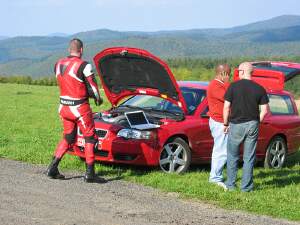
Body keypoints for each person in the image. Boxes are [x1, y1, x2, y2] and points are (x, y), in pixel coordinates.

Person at [46, 38, 103, 183]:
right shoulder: (84, 65)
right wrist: (98, 99)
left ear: (68, 49)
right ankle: (90, 173)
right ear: (82, 50)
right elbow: (94, 89)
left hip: (64, 107)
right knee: (91, 138)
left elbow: (68, 83)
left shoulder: (57, 64)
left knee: (68, 138)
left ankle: (52, 168)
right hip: (80, 109)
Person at [223, 62, 269, 192]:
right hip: (252, 124)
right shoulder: (260, 88)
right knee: (249, 157)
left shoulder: (233, 87)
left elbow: (226, 107)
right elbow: (264, 110)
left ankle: (231, 185)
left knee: (232, 155)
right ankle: (246, 187)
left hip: (236, 124)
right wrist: (256, 121)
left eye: (239, 70)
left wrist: (225, 124)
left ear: (242, 71)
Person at [207, 64, 231, 189]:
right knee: (221, 151)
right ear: (223, 74)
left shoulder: (218, 85)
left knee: (221, 150)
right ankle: (215, 178)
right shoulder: (216, 85)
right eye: (228, 74)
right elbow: (228, 97)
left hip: (220, 121)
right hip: (220, 122)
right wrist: (227, 83)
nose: (229, 77)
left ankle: (216, 175)